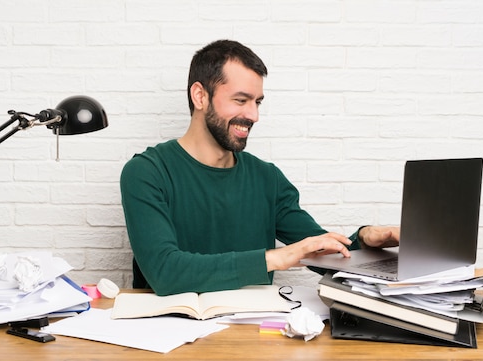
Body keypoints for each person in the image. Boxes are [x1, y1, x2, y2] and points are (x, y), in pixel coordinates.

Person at [120, 39, 399, 296]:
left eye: (257, 102)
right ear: (200, 96)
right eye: (241, 100)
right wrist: (275, 257)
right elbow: (165, 272)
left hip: (251, 335)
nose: (253, 115)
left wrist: (365, 239)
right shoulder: (146, 172)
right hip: (169, 336)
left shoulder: (267, 178)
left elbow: (321, 253)